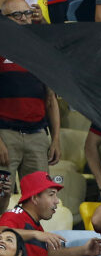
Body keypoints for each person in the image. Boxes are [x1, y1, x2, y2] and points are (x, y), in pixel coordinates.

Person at [0, 172, 101, 256]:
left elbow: (45, 255)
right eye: (51, 195)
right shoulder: (14, 216)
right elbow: (2, 233)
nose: (57, 201)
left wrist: (84, 250)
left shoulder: (34, 224)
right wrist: (35, 234)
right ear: (34, 198)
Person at [0, 13, 61, 187]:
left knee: (39, 197)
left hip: (37, 136)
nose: (24, 18)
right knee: (1, 197)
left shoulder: (40, 54)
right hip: (5, 135)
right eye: (17, 14)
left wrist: (56, 139)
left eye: (27, 14)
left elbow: (51, 99)